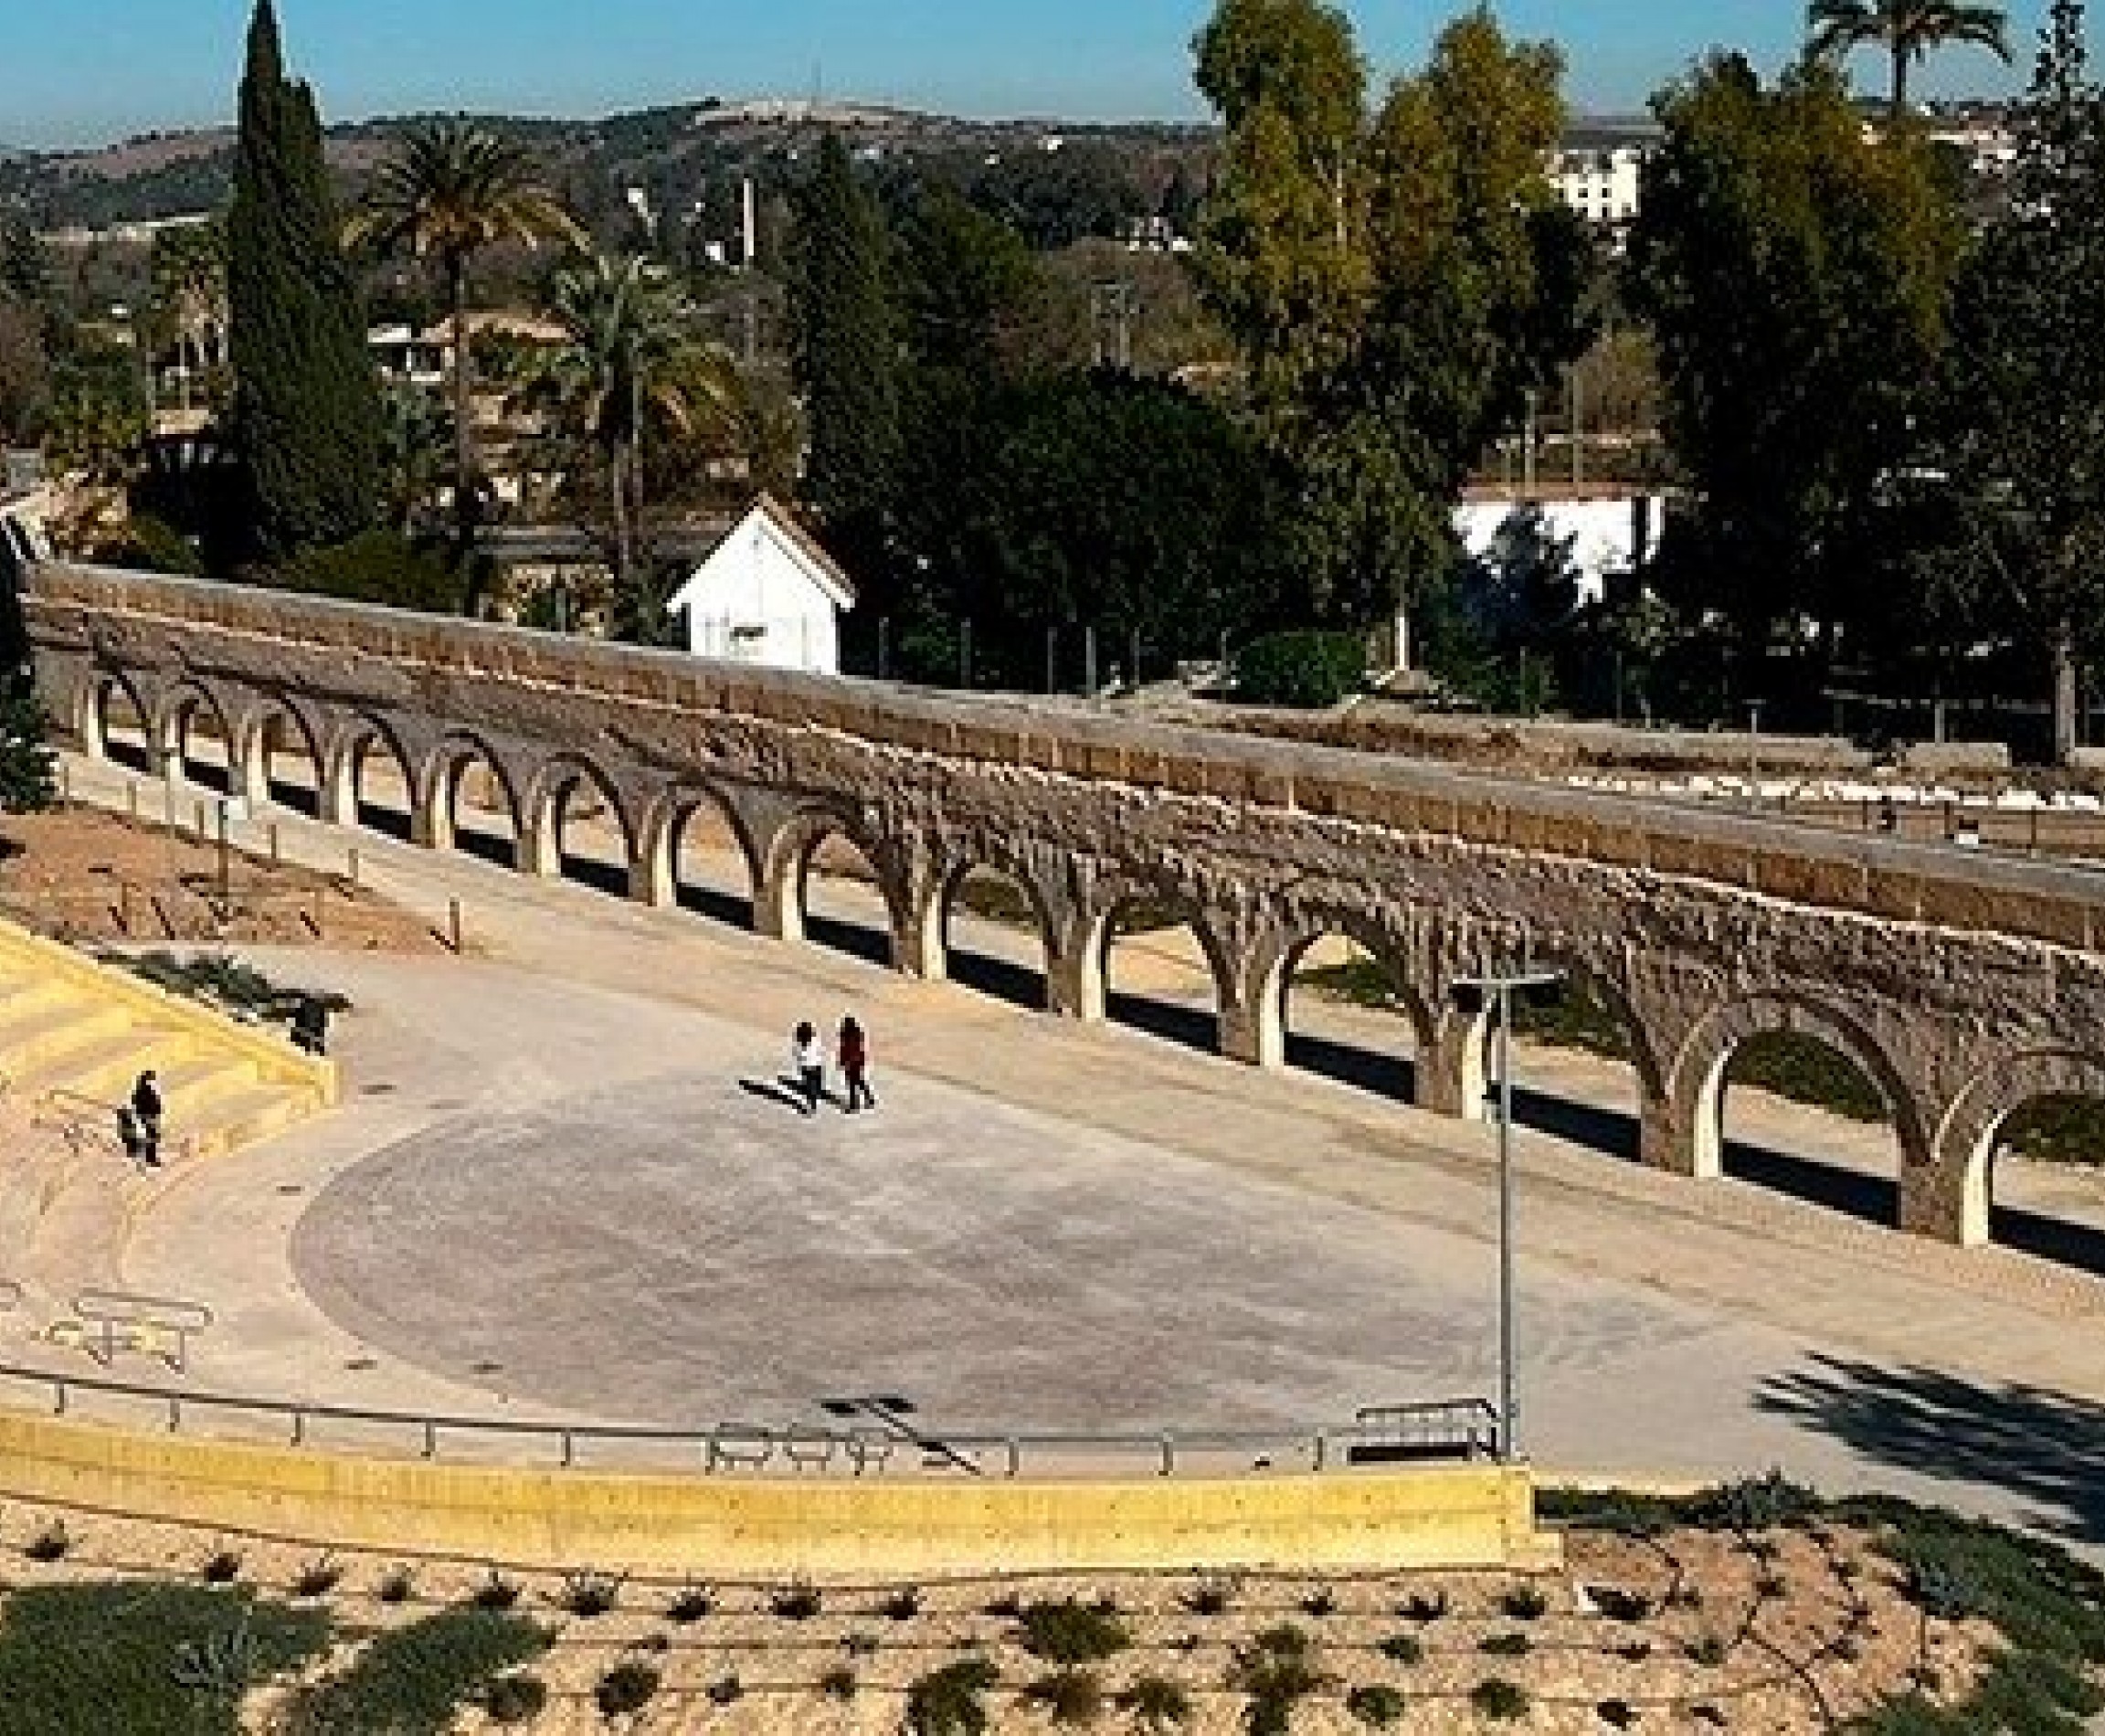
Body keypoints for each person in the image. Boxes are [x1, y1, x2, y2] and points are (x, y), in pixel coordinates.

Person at [838, 1015, 876, 1114]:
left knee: (852, 1084)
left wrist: (842, 1062)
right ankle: (868, 1099)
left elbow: (845, 1050)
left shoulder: (846, 1037)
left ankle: (854, 1104)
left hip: (851, 1062)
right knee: (858, 1081)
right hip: (857, 1061)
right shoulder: (857, 1035)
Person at [790, 1021, 826, 1116]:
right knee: (815, 1085)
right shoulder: (815, 1040)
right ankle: (814, 1102)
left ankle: (811, 1105)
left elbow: (798, 1055)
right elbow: (821, 1051)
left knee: (809, 1087)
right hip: (817, 1066)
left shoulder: (800, 1043)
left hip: (807, 1068)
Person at [131, 1070, 164, 1168]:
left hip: (147, 1116)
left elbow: (136, 1103)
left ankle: (149, 1156)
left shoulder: (142, 1089)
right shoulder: (144, 1089)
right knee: (151, 1137)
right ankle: (150, 1158)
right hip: (148, 1116)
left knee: (151, 1136)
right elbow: (140, 1103)